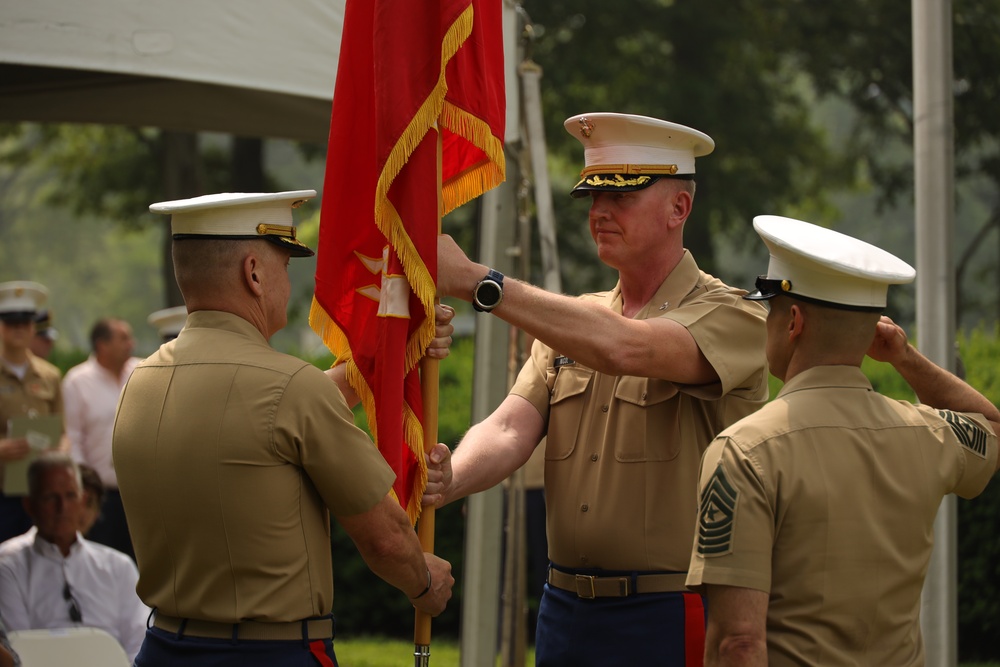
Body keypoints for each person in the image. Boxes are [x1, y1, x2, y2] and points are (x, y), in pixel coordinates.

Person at [425, 113, 770, 665]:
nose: (600, 212)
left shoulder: (734, 315)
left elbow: (627, 348)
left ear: (679, 209)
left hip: (667, 611)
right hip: (565, 608)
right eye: (593, 195)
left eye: (624, 195)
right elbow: (512, 425)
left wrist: (476, 282)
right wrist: (448, 479)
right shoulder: (578, 319)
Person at [113, 190, 455, 667]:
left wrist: (398, 347)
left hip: (164, 647)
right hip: (269, 653)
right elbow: (385, 539)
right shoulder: (291, 387)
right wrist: (424, 583)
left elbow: (267, 415)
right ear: (253, 272)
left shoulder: (139, 382)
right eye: (284, 266)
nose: (288, 286)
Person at [686, 215, 1000, 666]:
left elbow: (738, 641)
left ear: (793, 321)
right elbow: (991, 426)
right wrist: (904, 357)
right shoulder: (926, 433)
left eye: (770, 310)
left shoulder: (745, 450)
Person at [0, 451, 148, 664]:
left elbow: (139, 643)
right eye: (51, 497)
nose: (63, 508)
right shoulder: (8, 566)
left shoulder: (118, 567)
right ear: (29, 505)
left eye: (70, 496)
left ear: (83, 500)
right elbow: (18, 649)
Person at [62, 318, 142, 559]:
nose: (131, 344)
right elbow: (72, 438)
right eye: (123, 338)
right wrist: (86, 489)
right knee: (106, 561)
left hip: (142, 492)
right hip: (103, 496)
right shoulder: (77, 381)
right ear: (102, 345)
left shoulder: (143, 371)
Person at [0, 281, 65, 543]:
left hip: (41, 489)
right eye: (11, 323)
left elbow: (63, 432)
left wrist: (59, 452)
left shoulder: (50, 376)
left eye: (25, 323)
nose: (19, 330)